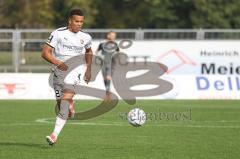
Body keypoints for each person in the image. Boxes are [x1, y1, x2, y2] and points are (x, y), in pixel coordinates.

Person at [41, 8, 92, 145]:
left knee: (64, 101)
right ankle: (69, 105)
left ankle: (54, 135)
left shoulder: (86, 37)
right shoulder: (58, 33)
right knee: (60, 104)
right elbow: (45, 53)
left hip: (77, 70)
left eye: (81, 22)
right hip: (59, 71)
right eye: (76, 21)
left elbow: (89, 51)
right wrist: (58, 62)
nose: (79, 24)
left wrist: (88, 70)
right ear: (70, 20)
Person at [96, 31, 119, 100]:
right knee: (105, 78)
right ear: (108, 36)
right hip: (103, 63)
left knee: (108, 77)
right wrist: (99, 57)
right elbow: (97, 52)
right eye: (112, 35)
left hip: (111, 64)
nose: (113, 37)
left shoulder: (115, 45)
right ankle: (107, 92)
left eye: (114, 36)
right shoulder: (102, 44)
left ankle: (108, 94)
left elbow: (118, 53)